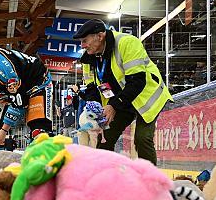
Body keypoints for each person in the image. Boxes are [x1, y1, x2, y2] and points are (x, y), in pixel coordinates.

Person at [74, 19, 172, 165]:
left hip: (145, 97)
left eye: (85, 40)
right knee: (105, 138)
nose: (82, 45)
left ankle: (150, 182)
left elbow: (137, 81)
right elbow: (92, 88)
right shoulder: (88, 59)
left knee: (142, 138)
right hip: (122, 101)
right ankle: (105, 179)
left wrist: (113, 105)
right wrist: (95, 109)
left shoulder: (127, 43)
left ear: (100, 36)